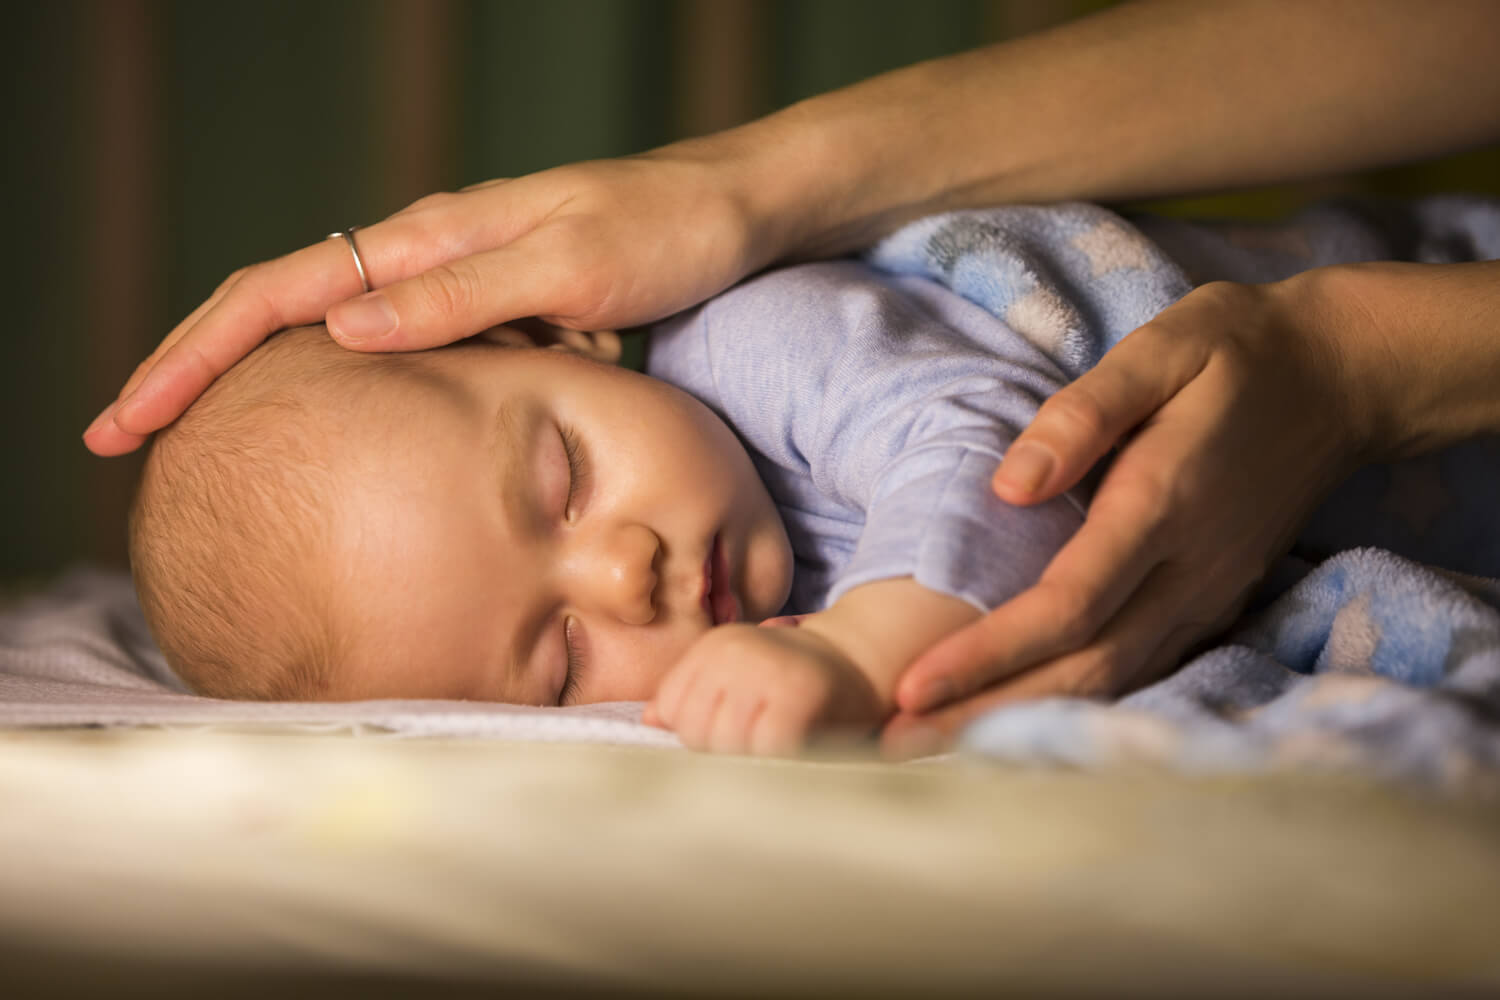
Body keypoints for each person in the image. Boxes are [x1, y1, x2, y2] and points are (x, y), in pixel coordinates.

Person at [87, 0, 1500, 755]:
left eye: (563, 478)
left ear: (559, 339)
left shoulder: (764, 344)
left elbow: (993, 452)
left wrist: (861, 655)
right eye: (559, 658)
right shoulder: (747, 635)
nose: (622, 577)